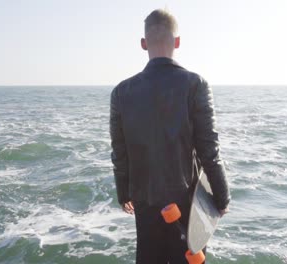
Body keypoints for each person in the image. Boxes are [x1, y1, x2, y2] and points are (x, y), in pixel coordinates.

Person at [110, 9, 230, 264]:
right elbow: (209, 149)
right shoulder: (195, 85)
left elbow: (119, 153)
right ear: (177, 42)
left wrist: (124, 194)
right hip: (187, 203)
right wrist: (222, 197)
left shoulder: (121, 92)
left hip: (144, 200)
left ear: (143, 44)